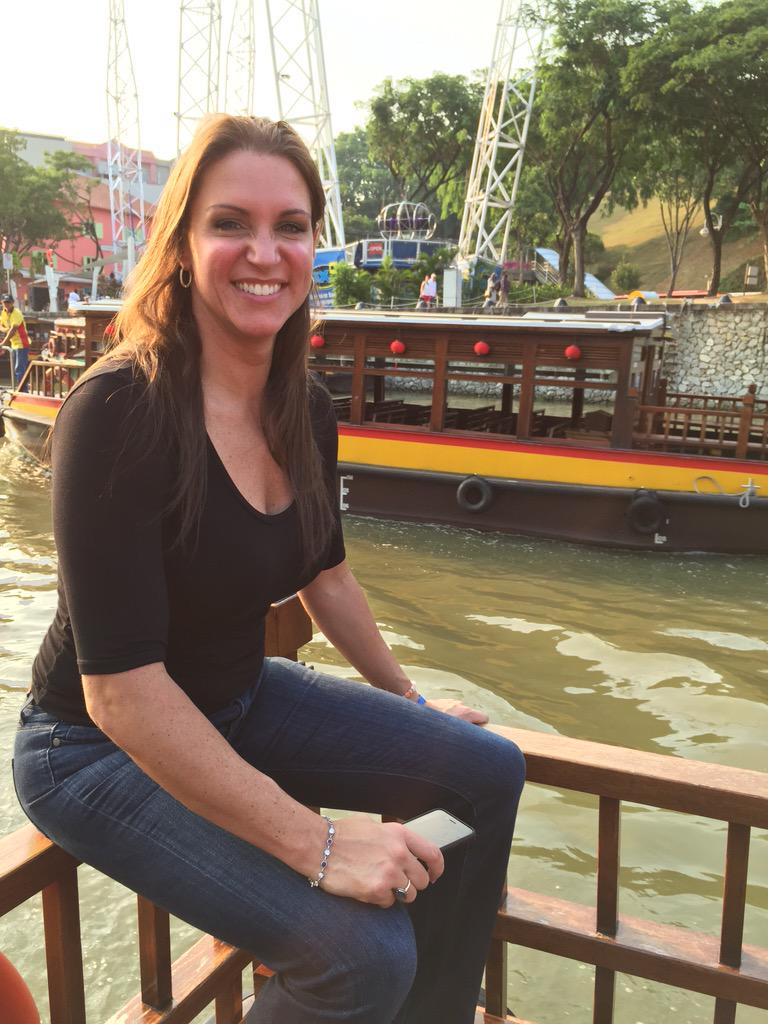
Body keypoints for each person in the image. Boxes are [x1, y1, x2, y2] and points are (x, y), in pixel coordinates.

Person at [12, 115, 525, 1024]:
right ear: (182, 246)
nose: (264, 252)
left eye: (290, 226)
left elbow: (328, 577)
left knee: (485, 770)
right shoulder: (118, 411)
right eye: (229, 223)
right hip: (91, 749)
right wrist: (320, 844)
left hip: (237, 697)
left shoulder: (303, 408)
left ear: (313, 246)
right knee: (359, 957)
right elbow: (120, 694)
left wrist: (409, 703)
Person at [0, 294, 31, 388]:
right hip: (14, 345)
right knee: (16, 369)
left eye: (8, 302)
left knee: (19, 369)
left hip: (22, 344)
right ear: (2, 303)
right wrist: (5, 329)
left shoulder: (16, 313)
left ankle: (23, 390)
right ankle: (21, 388)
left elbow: (13, 330)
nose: (6, 304)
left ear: (12, 303)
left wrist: (3, 343)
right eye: (5, 302)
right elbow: (1, 325)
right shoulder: (4, 313)